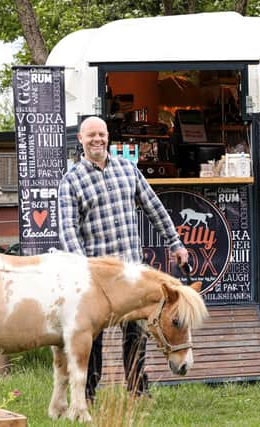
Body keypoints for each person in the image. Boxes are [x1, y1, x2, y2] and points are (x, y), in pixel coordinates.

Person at [58, 116, 188, 402]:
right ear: (80, 139)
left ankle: (138, 390)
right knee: (92, 339)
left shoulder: (128, 170)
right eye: (91, 135)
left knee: (136, 334)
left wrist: (175, 243)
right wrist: (81, 271)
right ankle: (88, 395)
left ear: (108, 137)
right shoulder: (71, 181)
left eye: (101, 134)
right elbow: (68, 230)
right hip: (97, 280)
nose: (97, 140)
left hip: (130, 274)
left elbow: (154, 207)